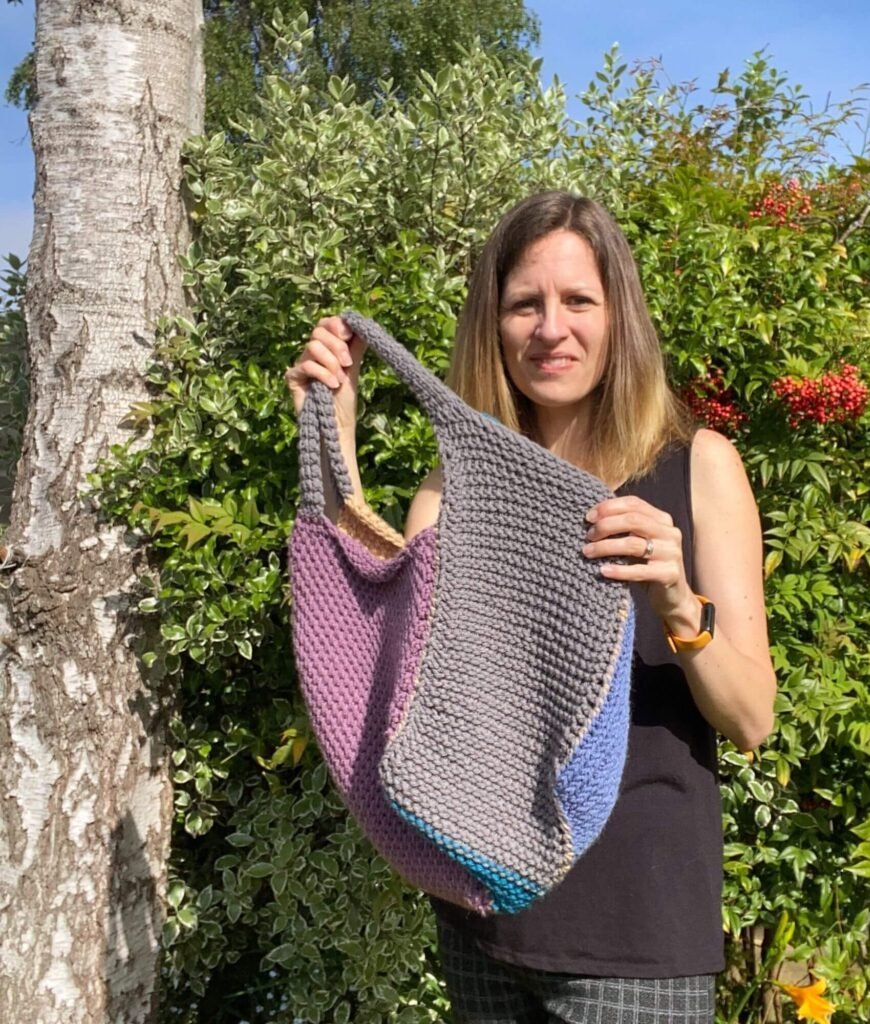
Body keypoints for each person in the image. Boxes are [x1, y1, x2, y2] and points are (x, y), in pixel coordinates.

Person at [285, 191, 777, 1024]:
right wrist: (335, 439)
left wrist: (675, 600)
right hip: (483, 912)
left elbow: (752, 719)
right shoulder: (454, 487)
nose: (553, 328)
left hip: (638, 937)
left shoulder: (699, 469)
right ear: (495, 323)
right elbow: (393, 662)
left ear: (620, 316)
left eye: (579, 300)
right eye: (526, 304)